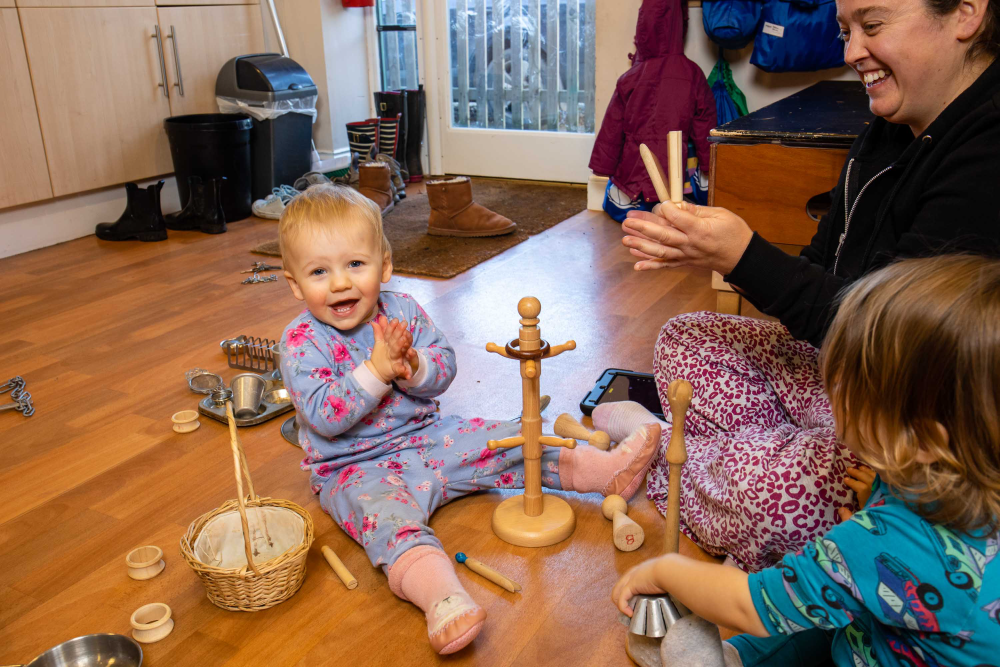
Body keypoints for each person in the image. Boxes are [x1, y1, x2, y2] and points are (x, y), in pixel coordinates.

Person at [606, 0, 1000, 571]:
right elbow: (821, 270)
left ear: (966, 14)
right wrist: (717, 252)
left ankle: (669, 457)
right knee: (684, 339)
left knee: (774, 495)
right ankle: (733, 464)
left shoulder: (986, 154)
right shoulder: (890, 128)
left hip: (916, 421)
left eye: (873, 24)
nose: (850, 52)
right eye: (845, 31)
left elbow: (895, 348)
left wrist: (742, 257)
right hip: (844, 375)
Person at [276, 185, 660, 654]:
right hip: (355, 467)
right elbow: (323, 415)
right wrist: (376, 370)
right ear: (295, 284)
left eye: (355, 264)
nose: (339, 283)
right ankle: (442, 597)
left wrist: (413, 366)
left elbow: (443, 368)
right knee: (388, 521)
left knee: (511, 438)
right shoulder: (300, 342)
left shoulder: (403, 311)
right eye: (319, 271)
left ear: (386, 264)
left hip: (428, 435)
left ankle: (605, 473)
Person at [612, 255, 1000, 667]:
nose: (832, 395)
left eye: (849, 389)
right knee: (829, 608)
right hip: (896, 632)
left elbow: (751, 606)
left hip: (870, 650)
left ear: (921, 439)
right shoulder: (956, 474)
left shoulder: (878, 544)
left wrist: (666, 570)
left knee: (802, 611)